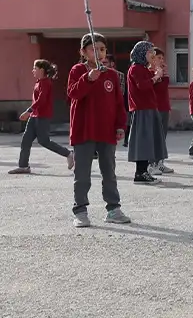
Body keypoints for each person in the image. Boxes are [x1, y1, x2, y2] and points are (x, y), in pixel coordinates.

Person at [67, 33, 131, 227]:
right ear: (83, 52)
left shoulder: (111, 74)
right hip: (84, 129)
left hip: (106, 130)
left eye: (102, 49)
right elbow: (73, 93)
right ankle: (80, 210)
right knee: (83, 173)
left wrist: (120, 125)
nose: (99, 52)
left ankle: (113, 208)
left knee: (109, 172)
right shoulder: (78, 70)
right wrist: (88, 78)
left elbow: (119, 104)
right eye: (94, 49)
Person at [9, 59, 73, 175]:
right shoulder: (39, 82)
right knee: (26, 140)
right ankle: (23, 166)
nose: (33, 70)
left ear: (41, 70)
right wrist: (31, 113)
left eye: (35, 68)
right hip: (34, 116)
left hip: (42, 116)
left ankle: (68, 154)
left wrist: (29, 111)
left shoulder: (46, 82)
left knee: (44, 141)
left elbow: (42, 100)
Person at [125, 41, 167, 184]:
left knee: (148, 142)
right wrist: (155, 77)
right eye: (149, 52)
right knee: (143, 142)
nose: (152, 55)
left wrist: (156, 74)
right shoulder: (136, 68)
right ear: (141, 53)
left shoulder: (142, 68)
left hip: (148, 107)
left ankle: (143, 171)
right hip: (142, 109)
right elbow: (142, 86)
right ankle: (140, 172)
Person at [149, 48, 174, 175]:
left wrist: (164, 74)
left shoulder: (163, 73)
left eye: (162, 58)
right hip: (155, 108)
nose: (161, 60)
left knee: (162, 137)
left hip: (164, 107)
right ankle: (151, 163)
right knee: (154, 137)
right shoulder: (149, 73)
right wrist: (158, 75)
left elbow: (164, 88)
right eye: (159, 58)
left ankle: (160, 162)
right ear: (152, 59)